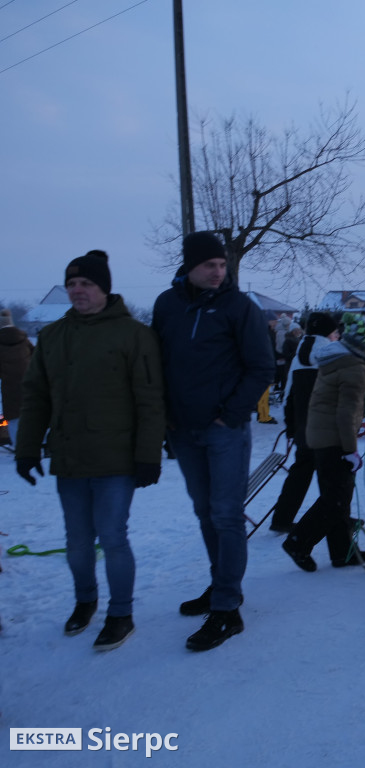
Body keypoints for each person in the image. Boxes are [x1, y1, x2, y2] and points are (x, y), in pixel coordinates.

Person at [16, 250, 165, 650]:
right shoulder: (51, 337)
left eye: (87, 284)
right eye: (72, 284)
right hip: (70, 458)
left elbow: (150, 399)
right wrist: (26, 449)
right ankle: (85, 601)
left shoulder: (135, 335)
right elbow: (35, 398)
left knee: (113, 537)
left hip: (117, 459)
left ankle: (121, 613)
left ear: (104, 289)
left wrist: (149, 454)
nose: (78, 291)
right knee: (77, 541)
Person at [151, 231, 276, 651]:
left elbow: (261, 367)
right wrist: (166, 416)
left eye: (222, 265)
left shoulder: (239, 307)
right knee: (205, 513)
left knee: (226, 516)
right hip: (183, 430)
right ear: (190, 265)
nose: (218, 271)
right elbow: (159, 363)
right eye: (210, 264)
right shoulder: (168, 305)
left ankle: (227, 607)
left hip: (225, 431)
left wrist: (231, 415)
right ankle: (220, 584)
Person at [281, 313, 365, 571]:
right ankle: (298, 541)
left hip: (321, 436)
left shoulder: (339, 360)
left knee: (337, 497)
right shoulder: (355, 368)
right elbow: (346, 413)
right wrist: (350, 450)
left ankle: (342, 552)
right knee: (335, 499)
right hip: (334, 440)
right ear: (364, 343)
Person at [268, 313, 339, 533]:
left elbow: (289, 393)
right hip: (326, 430)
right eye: (335, 332)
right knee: (333, 482)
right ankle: (332, 526)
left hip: (302, 427)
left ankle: (282, 518)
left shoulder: (300, 352)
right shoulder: (331, 354)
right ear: (329, 333)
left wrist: (291, 426)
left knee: (300, 473)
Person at [0, 308, 34, 446]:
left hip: (10, 389)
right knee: (33, 414)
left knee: (13, 420)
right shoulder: (24, 340)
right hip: (31, 384)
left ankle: (19, 448)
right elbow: (37, 357)